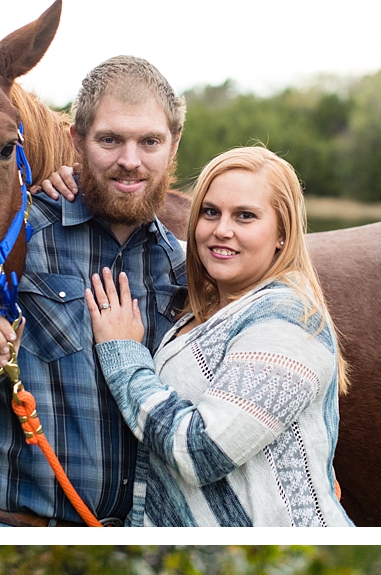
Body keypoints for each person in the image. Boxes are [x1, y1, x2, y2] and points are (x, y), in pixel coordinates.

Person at [0, 56, 192, 527]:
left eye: (149, 141)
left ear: (172, 147)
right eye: (110, 140)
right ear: (77, 141)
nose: (130, 161)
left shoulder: (182, 268)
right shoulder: (19, 235)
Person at [76, 144, 354, 526]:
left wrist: (124, 356)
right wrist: (71, 180)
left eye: (245, 216)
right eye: (210, 213)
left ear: (281, 234)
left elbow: (202, 451)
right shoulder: (208, 310)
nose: (222, 230)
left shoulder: (286, 322)